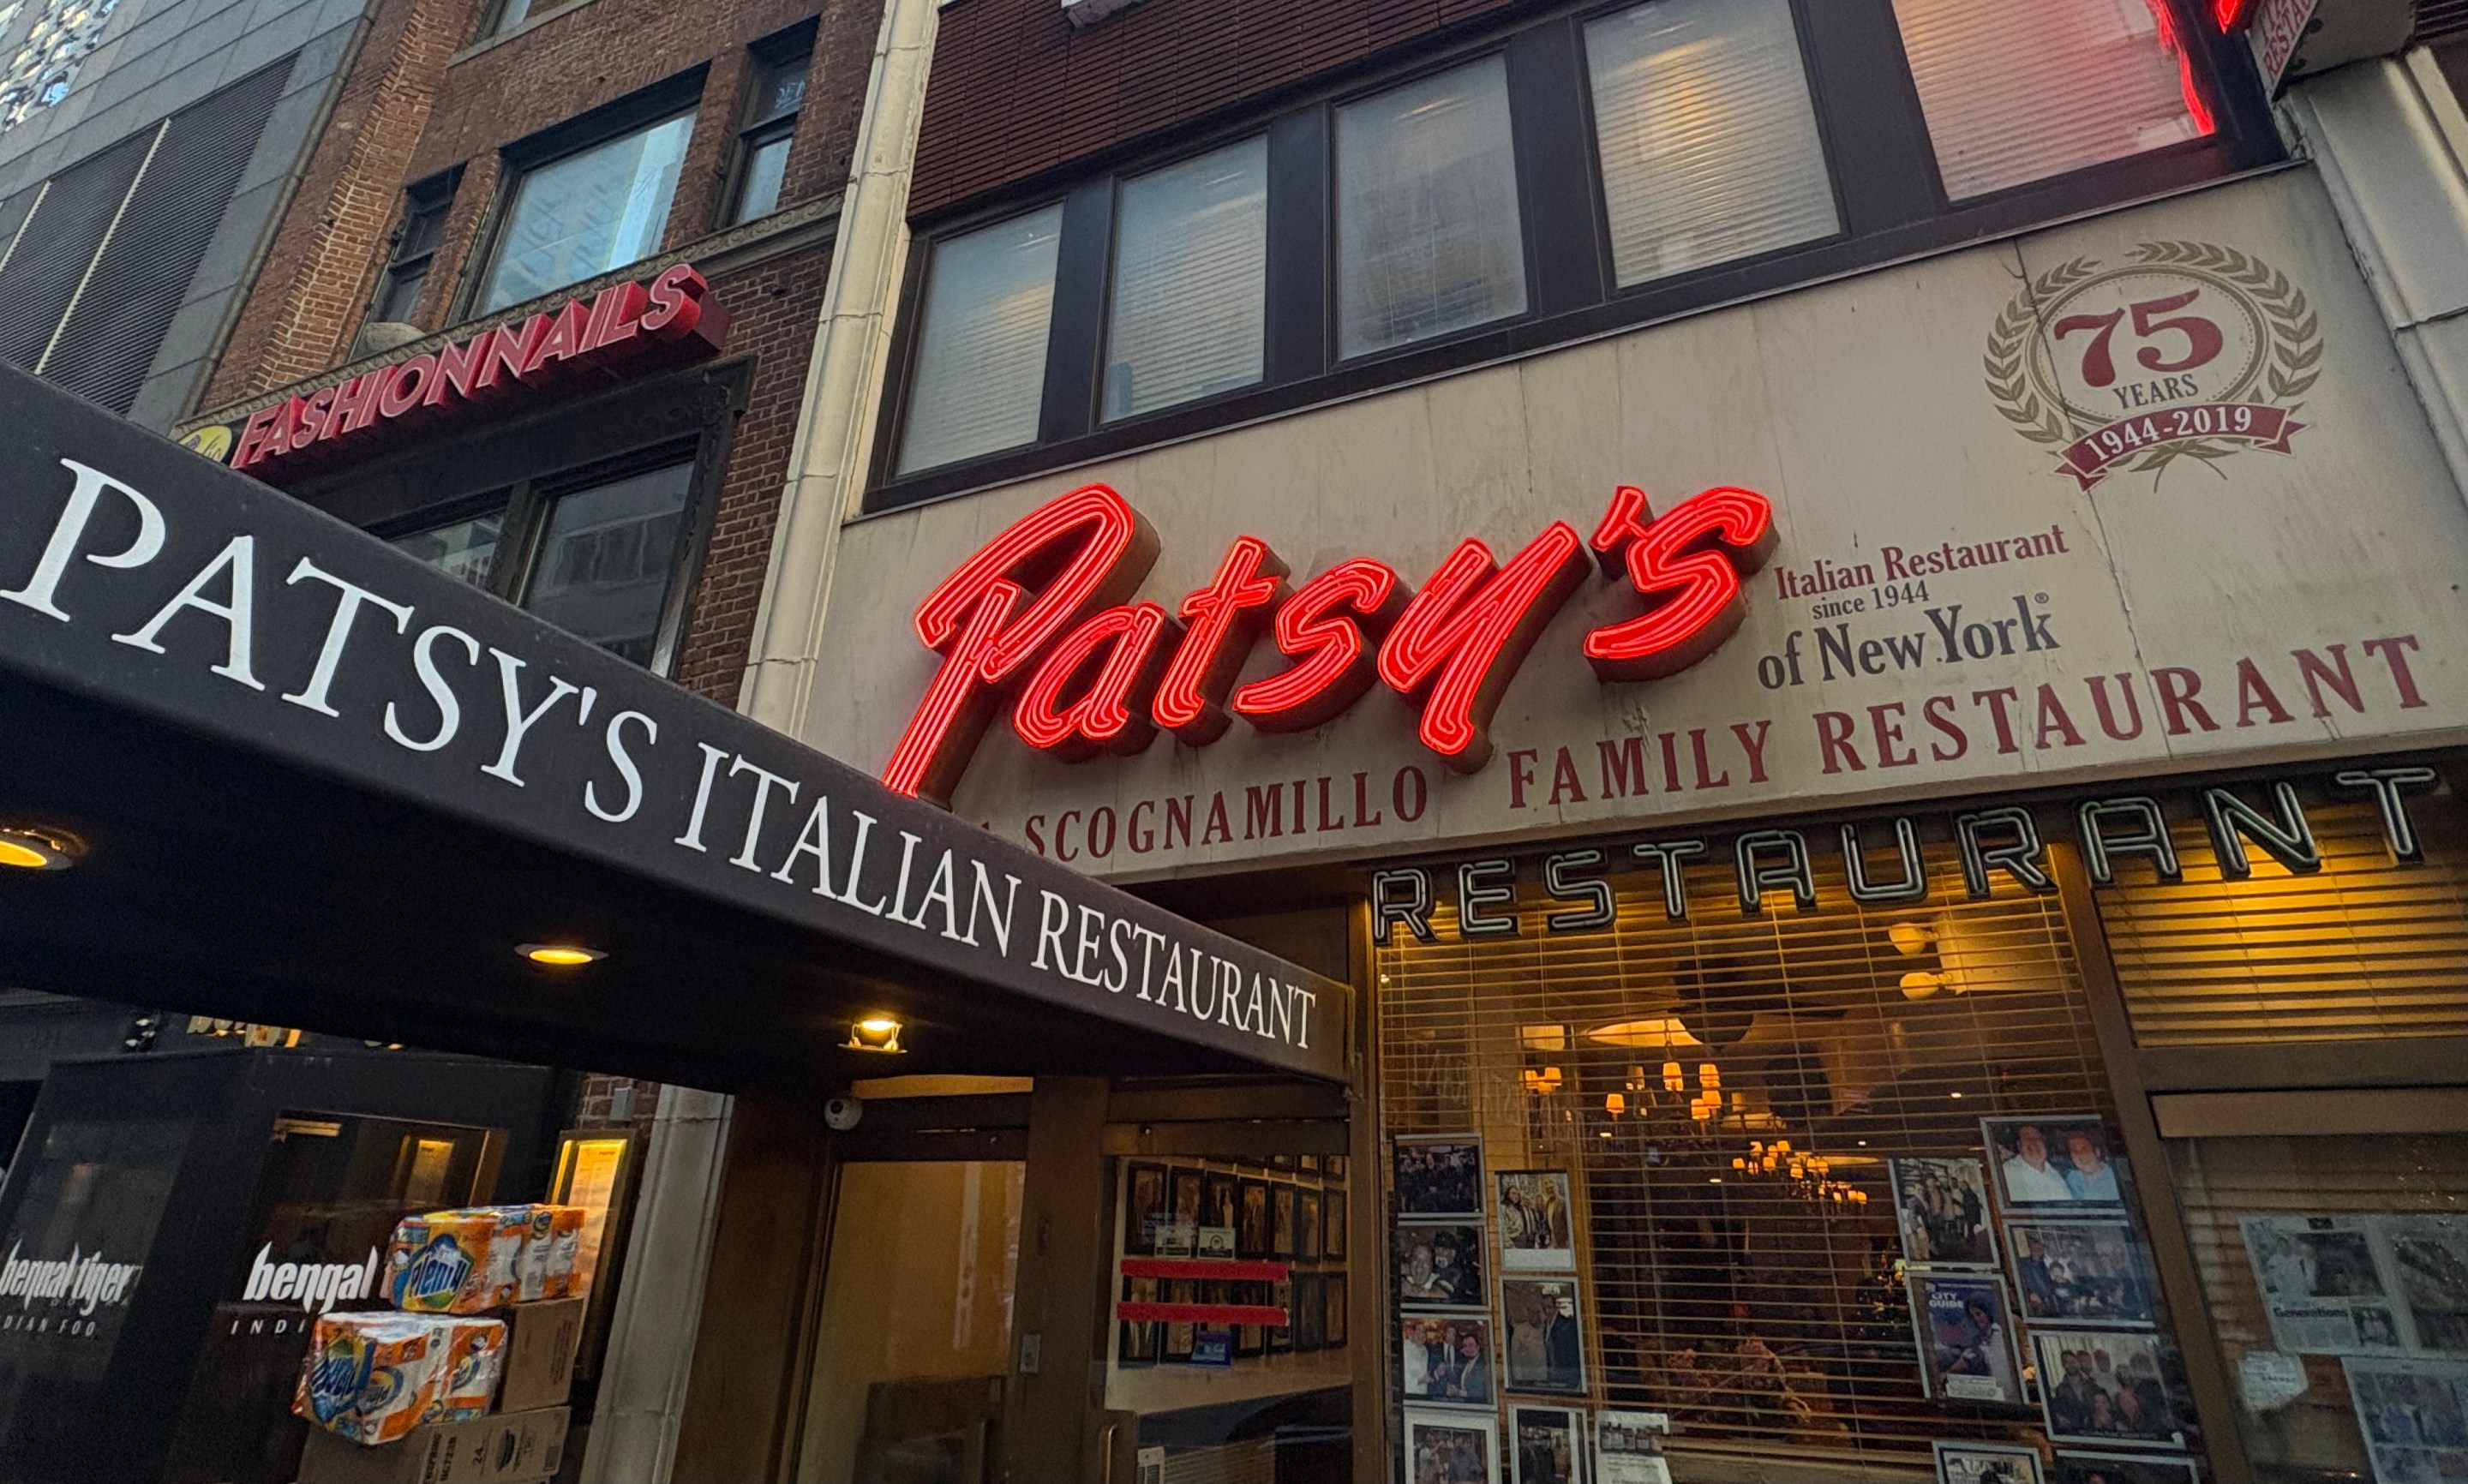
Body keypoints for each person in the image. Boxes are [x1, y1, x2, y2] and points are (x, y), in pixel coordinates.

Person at [2000, 1125, 2075, 1203]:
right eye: (2027, 1138)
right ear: (2019, 1145)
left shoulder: (2056, 1174)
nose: (2034, 1142)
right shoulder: (2007, 1172)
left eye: (2038, 1138)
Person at [2062, 1129, 2120, 1201]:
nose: (2081, 1157)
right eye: (2075, 1152)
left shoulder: (2116, 1178)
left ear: (2097, 1152)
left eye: (2085, 1150)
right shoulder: (2071, 1179)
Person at [1546, 1292, 1583, 1389]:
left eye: (1549, 1307)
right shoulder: (1544, 1326)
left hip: (1566, 1373)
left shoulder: (1567, 1325)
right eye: (1544, 1308)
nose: (1546, 1311)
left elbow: (1572, 1351)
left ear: (1555, 1307)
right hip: (1552, 1376)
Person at [2017, 1237, 2058, 1316]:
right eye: (2035, 1248)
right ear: (2030, 1249)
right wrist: (2029, 1294)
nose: (2038, 1251)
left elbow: (2051, 1283)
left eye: (2040, 1249)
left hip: (2050, 1302)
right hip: (2034, 1304)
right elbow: (2019, 1281)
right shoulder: (2022, 1264)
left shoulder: (2045, 1264)